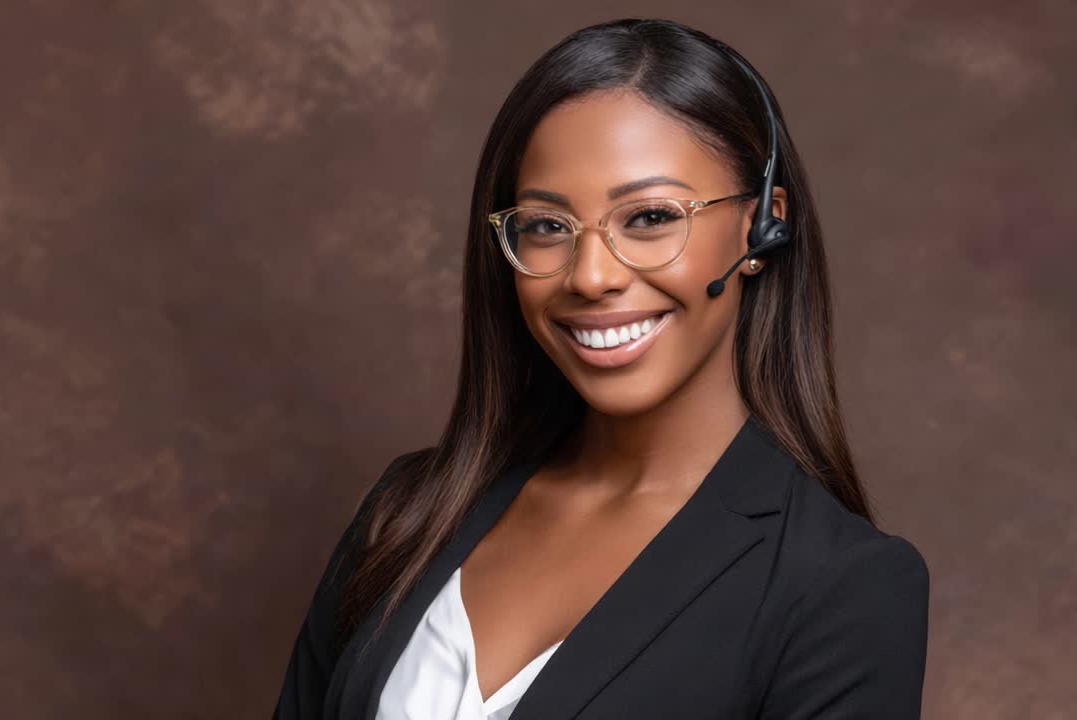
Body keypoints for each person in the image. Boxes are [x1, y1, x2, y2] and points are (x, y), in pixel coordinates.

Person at [273, 17, 929, 720]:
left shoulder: (841, 587)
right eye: (548, 226)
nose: (590, 276)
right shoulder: (406, 514)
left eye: (648, 217)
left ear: (760, 227)